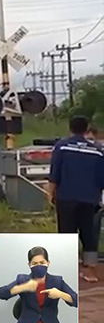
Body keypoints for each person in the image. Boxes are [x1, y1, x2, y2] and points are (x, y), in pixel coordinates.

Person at [47, 115, 104, 283]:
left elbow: (54, 173)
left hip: (66, 197)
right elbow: (101, 178)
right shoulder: (97, 151)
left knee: (66, 233)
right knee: (89, 234)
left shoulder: (62, 147)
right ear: (87, 129)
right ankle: (90, 271)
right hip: (89, 199)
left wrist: (51, 193)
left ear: (70, 129)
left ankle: (67, 271)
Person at [0, 246, 78, 323]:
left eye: (42, 263)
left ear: (48, 263)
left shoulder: (57, 281)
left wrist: (60, 294)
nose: (39, 266)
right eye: (34, 263)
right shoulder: (23, 279)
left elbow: (77, 300)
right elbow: (1, 293)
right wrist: (22, 287)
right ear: (29, 265)